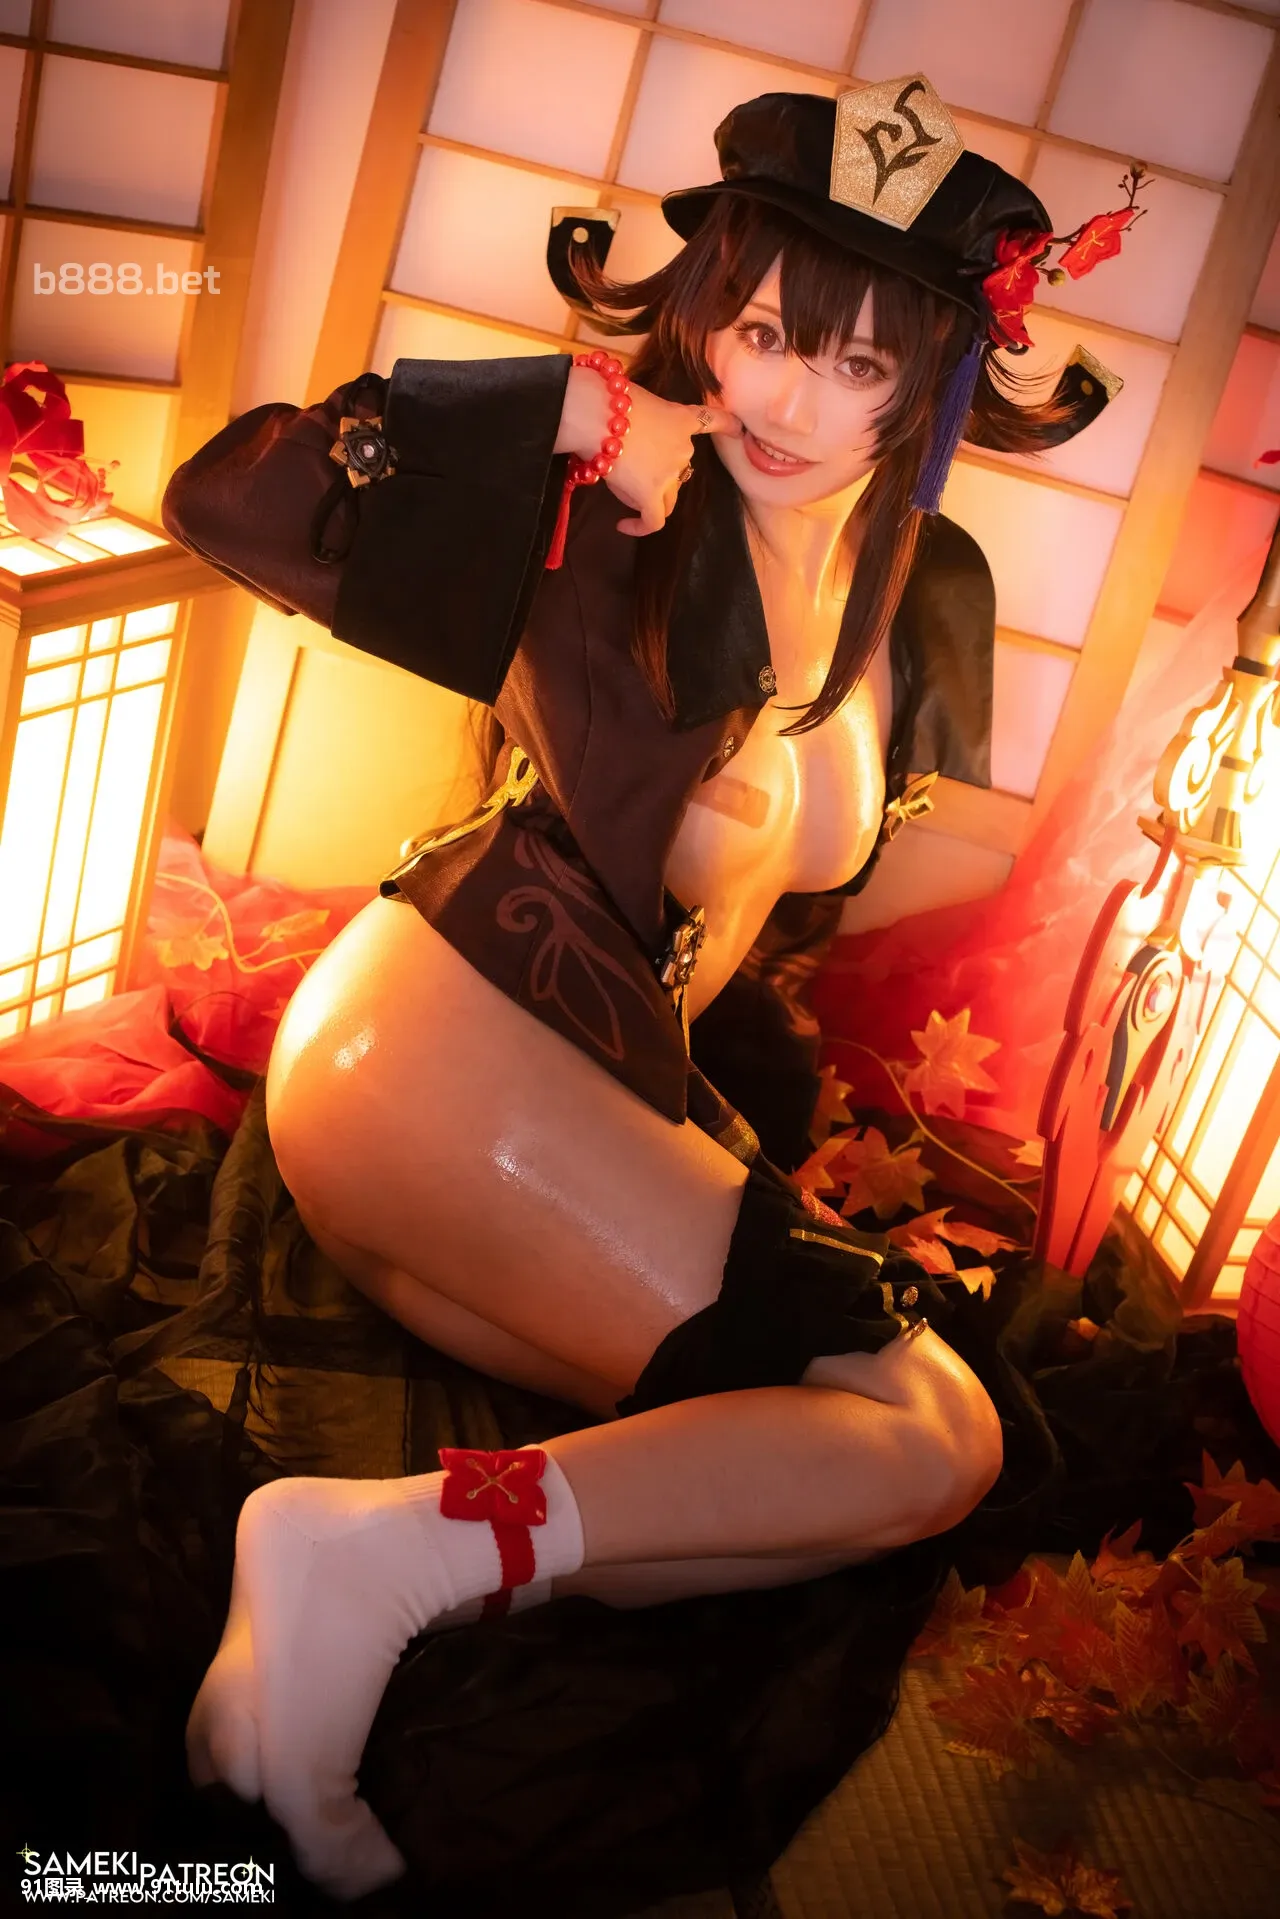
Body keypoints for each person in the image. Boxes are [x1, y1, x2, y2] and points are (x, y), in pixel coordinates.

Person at [160, 80, 1122, 1900]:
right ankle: (362, 1564)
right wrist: (558, 411)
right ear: (701, 321)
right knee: (923, 1424)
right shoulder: (614, 500)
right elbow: (229, 496)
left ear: (926, 382)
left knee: (910, 1444)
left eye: (855, 363)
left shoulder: (920, 586)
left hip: (561, 1109)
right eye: (759, 333)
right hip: (440, 1041)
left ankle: (359, 1577)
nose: (789, 402)